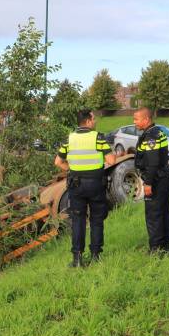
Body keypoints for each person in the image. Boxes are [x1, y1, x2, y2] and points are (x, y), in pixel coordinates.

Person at [54, 108, 116, 267]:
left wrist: (72, 169)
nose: (95, 122)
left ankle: (77, 259)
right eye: (93, 119)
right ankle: (95, 256)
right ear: (88, 121)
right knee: (96, 220)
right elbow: (111, 160)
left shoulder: (69, 140)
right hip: (95, 184)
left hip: (76, 185)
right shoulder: (98, 138)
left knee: (78, 220)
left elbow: (58, 162)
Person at [133, 107, 169, 255]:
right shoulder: (158, 132)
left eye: (136, 119)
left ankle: (155, 249)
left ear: (146, 119)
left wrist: (148, 183)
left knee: (153, 215)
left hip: (156, 180)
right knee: (164, 213)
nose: (134, 122)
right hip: (164, 177)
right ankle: (166, 247)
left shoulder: (151, 136)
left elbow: (153, 162)